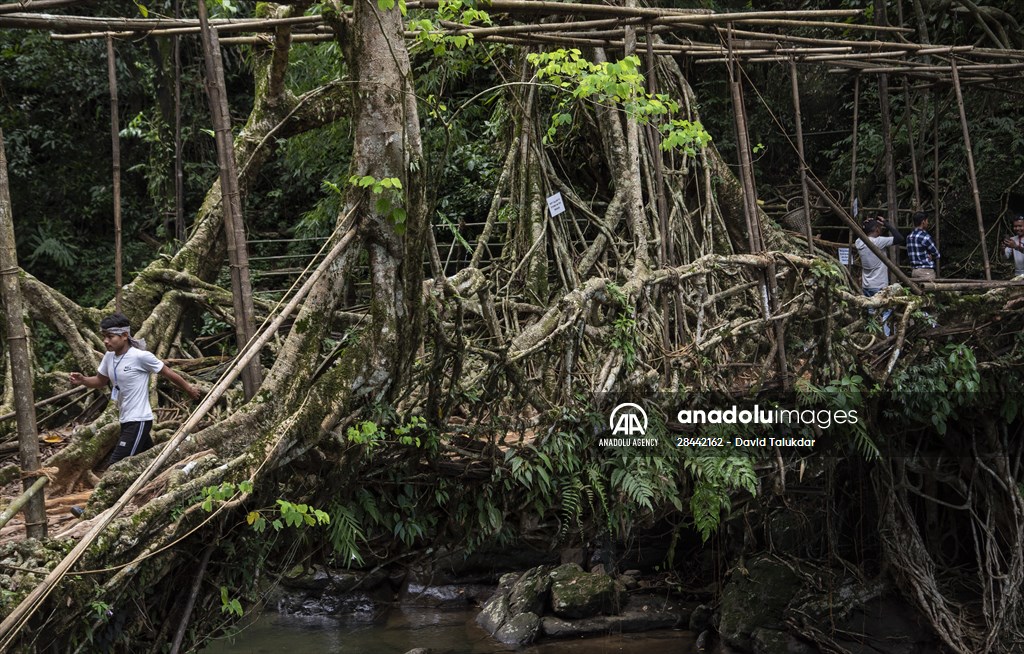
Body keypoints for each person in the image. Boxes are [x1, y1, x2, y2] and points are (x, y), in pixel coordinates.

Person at [69, 313, 201, 467]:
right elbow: (100, 380)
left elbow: (168, 372)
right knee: (148, 460)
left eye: (110, 336)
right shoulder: (109, 357)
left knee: (117, 465)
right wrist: (83, 380)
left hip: (139, 419)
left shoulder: (140, 357)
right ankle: (164, 479)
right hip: (125, 418)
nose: (106, 341)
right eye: (104, 336)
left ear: (125, 335)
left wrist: (189, 389)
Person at [855, 215, 904, 337]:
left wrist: (867, 225)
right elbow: (899, 238)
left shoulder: (858, 242)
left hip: (867, 285)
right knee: (885, 312)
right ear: (877, 230)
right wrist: (886, 223)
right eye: (879, 229)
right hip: (879, 285)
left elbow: (865, 233)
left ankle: (871, 337)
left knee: (871, 313)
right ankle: (885, 338)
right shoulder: (878, 242)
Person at [906, 211, 940, 280]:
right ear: (923, 222)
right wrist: (931, 256)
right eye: (927, 221)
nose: (928, 223)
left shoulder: (909, 237)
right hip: (926, 272)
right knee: (929, 290)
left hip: (914, 271)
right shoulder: (925, 237)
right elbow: (937, 254)